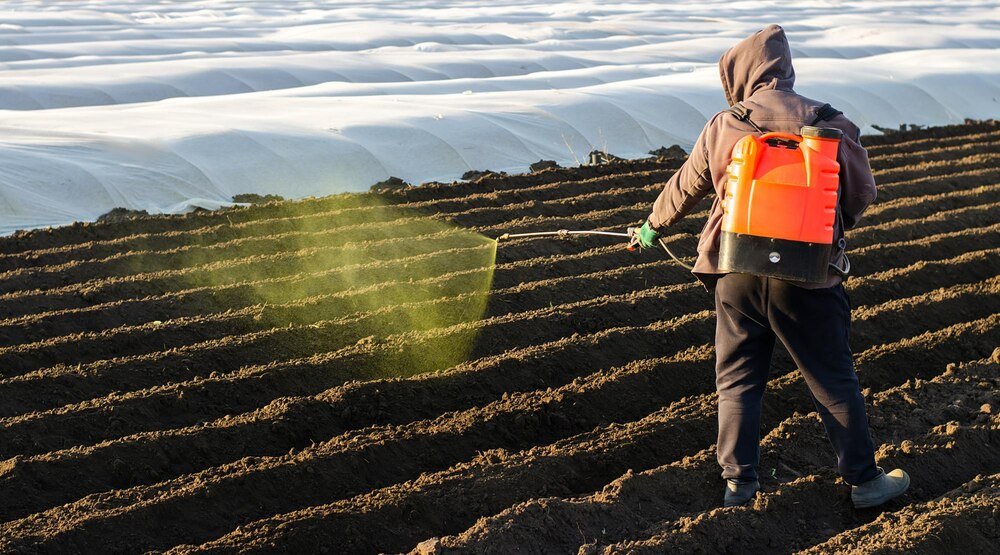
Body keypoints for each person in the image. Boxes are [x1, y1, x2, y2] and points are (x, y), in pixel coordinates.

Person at [634, 24, 909, 508]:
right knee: (831, 378)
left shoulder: (727, 122)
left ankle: (739, 483)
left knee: (738, 380)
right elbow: (862, 193)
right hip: (807, 273)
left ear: (740, 73)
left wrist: (651, 228)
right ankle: (865, 483)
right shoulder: (831, 122)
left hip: (735, 271)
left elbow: (686, 184)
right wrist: (827, 225)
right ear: (785, 68)